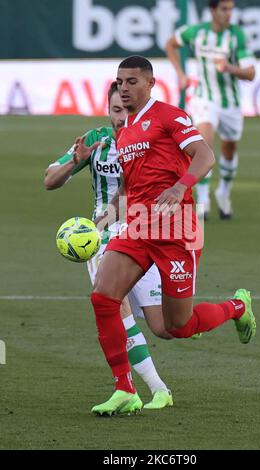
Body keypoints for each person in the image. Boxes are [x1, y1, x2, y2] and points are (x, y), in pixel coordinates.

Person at [89, 55, 256, 416]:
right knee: (104, 296)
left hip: (176, 230)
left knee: (176, 327)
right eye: (120, 82)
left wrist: (181, 187)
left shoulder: (169, 115)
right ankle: (125, 389)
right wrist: (103, 220)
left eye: (132, 81)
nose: (125, 88)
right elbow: (131, 188)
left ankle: (237, 307)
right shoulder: (126, 131)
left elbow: (205, 154)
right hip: (137, 226)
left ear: (151, 82)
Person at [44, 81, 174, 410]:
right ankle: (149, 389)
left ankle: (235, 309)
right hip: (102, 238)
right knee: (115, 306)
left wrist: (102, 222)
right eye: (116, 110)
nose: (121, 117)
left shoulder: (147, 142)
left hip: (142, 232)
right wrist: (76, 160)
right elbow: (49, 180)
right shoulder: (95, 140)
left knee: (166, 326)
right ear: (108, 110)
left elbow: (133, 193)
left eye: (127, 110)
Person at [165, 0, 256, 219]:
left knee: (229, 149)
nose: (229, 13)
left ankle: (223, 192)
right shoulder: (197, 33)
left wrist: (229, 68)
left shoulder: (237, 36)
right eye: (224, 9)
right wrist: (180, 73)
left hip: (230, 103)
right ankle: (203, 200)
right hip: (204, 98)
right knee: (204, 143)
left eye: (231, 9)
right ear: (213, 11)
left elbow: (250, 73)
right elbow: (170, 44)